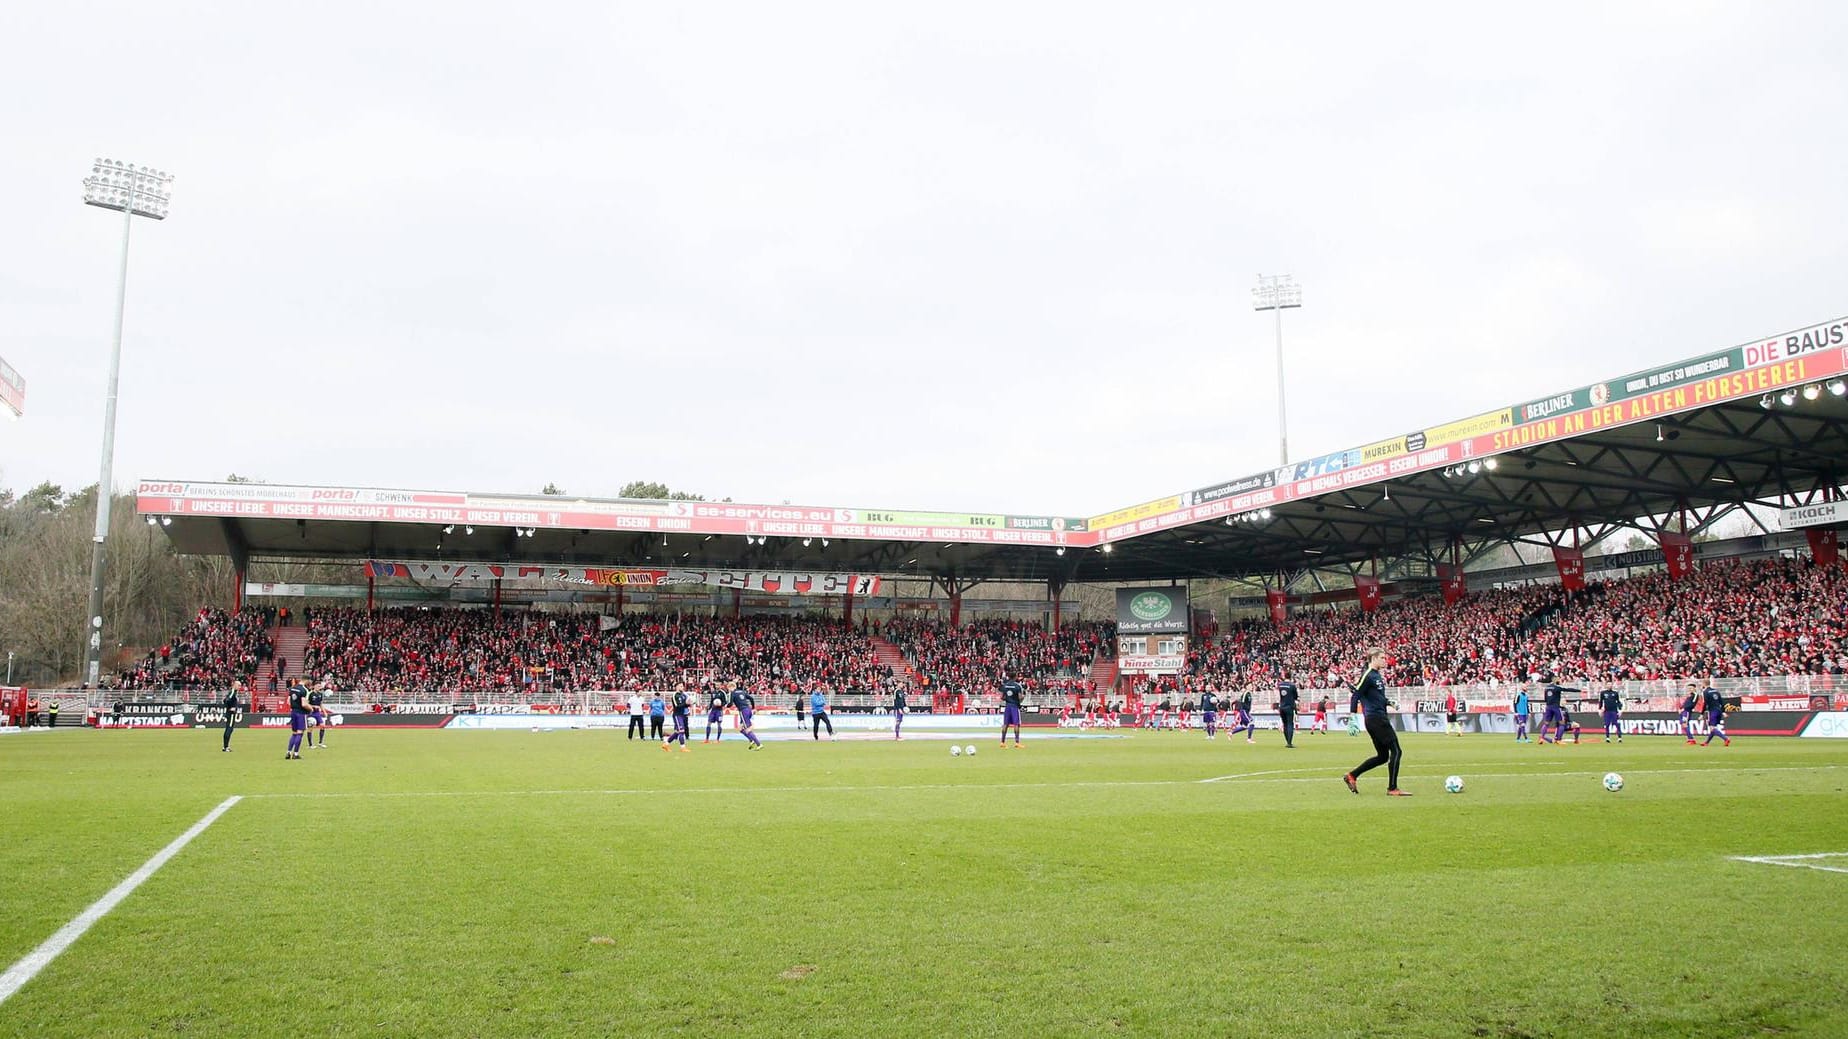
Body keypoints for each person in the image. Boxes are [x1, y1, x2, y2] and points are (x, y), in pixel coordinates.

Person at [1343, 647, 1409, 796]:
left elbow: (1375, 697)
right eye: (1383, 658)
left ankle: (1352, 776)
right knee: (1397, 751)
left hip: (1375, 718)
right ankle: (1392, 788)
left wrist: (1388, 702)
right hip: (1376, 719)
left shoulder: (1376, 675)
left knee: (1383, 756)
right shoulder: (1368, 675)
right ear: (1374, 659)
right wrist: (1352, 716)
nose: (1385, 661)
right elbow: (1356, 695)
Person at [1538, 674, 1580, 746]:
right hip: (1555, 707)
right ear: (1556, 681)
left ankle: (1541, 738)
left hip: (1548, 707)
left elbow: (1545, 699)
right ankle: (1559, 740)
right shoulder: (1557, 688)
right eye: (1559, 680)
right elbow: (1568, 689)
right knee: (1562, 723)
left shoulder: (1547, 688)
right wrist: (1578, 690)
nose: (1560, 681)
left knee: (1546, 723)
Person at [730, 683, 763, 750]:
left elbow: (730, 703)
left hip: (743, 711)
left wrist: (725, 705)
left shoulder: (733, 693)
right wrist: (753, 707)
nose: (729, 690)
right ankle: (751, 740)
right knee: (740, 728)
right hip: (748, 710)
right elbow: (751, 698)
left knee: (747, 729)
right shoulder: (742, 691)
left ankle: (759, 744)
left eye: (729, 688)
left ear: (732, 687)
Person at [662, 686, 691, 753]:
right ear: (677, 687)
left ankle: (666, 744)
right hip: (677, 715)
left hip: (683, 715)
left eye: (682, 686)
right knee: (682, 731)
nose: (682, 687)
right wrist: (685, 704)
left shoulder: (683, 695)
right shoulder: (675, 695)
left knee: (677, 732)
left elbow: (684, 706)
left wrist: (689, 704)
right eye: (680, 686)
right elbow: (677, 706)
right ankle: (683, 748)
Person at [1701, 682, 1731, 747]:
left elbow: (1705, 703)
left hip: (1712, 711)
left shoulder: (1705, 692)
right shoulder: (1716, 691)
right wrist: (1723, 712)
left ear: (1703, 684)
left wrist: (1702, 713)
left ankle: (1726, 738)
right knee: (1713, 728)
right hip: (1719, 711)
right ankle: (1706, 742)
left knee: (1712, 728)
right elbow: (1722, 702)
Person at [285, 682, 309, 760]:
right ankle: (295, 754)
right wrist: (310, 709)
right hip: (301, 713)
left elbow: (288, 701)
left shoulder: (292, 689)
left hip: (293, 712)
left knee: (294, 733)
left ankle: (288, 752)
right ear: (307, 680)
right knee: (300, 733)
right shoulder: (304, 690)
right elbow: (304, 704)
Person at [999, 675, 1024, 747]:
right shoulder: (1017, 686)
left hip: (1007, 706)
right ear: (1015, 677)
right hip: (1014, 706)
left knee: (1005, 724)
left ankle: (1002, 742)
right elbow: (1020, 697)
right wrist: (1022, 698)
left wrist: (1008, 698)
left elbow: (1002, 697)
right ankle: (1017, 743)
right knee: (1016, 724)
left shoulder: (1005, 686)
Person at [308, 679, 329, 749]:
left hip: (317, 713)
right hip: (311, 713)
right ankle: (310, 745)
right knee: (311, 728)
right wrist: (313, 706)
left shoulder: (320, 694)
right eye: (318, 686)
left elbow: (320, 704)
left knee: (322, 726)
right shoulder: (310, 694)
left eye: (320, 686)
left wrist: (324, 711)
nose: (319, 687)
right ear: (314, 686)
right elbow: (306, 704)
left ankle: (320, 743)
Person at [1277, 679, 1299, 748]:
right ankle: (1289, 742)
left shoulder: (1280, 685)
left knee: (1285, 724)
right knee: (1290, 724)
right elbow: (1295, 696)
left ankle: (1287, 741)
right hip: (1289, 707)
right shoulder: (1292, 685)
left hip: (1282, 707)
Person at [221, 683, 242, 752]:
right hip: (231, 714)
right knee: (229, 729)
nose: (240, 687)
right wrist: (231, 707)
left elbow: (226, 700)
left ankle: (225, 746)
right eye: (239, 685)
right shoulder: (233, 692)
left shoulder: (234, 692)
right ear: (235, 685)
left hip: (231, 713)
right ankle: (226, 747)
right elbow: (226, 700)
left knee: (229, 729)